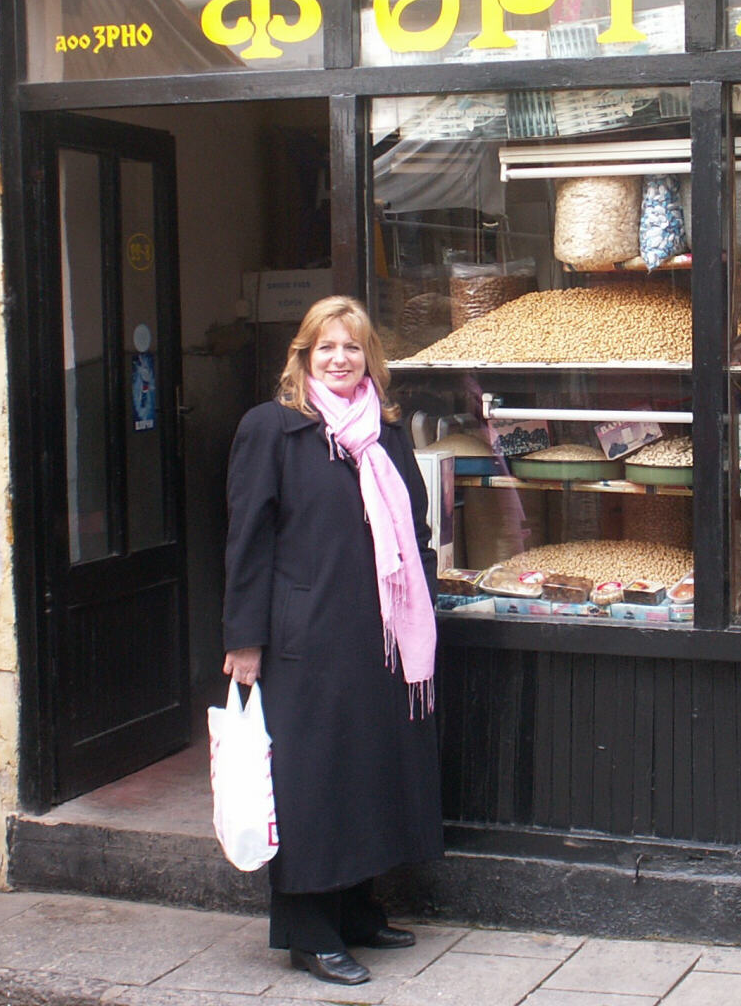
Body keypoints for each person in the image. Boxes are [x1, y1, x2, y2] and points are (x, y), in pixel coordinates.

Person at [222, 295, 442, 987]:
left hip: (379, 640)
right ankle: (309, 932)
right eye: (327, 348)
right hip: (305, 640)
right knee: (310, 784)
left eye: (352, 348)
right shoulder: (274, 430)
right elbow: (247, 542)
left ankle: (355, 910)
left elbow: (419, 529)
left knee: (366, 773)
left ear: (368, 358)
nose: (341, 359)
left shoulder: (387, 433)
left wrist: (422, 606)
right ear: (304, 357)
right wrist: (244, 638)